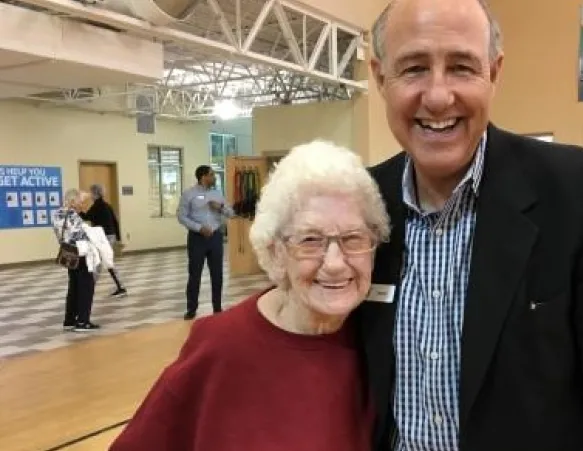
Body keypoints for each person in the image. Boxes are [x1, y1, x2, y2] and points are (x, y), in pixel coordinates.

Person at [356, 1, 583, 450]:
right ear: (379, 76)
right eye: (413, 68)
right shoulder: (361, 204)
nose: (438, 96)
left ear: (495, 72)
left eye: (462, 67)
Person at [109, 140, 390, 451]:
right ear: (276, 250)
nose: (335, 263)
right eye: (310, 240)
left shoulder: (381, 338)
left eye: (353, 238)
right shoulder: (221, 345)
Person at [177, 165, 234, 319]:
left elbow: (231, 213)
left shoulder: (217, 194)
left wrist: (220, 207)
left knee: (217, 274)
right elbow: (181, 216)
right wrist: (198, 228)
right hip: (197, 239)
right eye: (212, 174)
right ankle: (191, 308)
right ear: (203, 177)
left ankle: (217, 307)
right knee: (195, 274)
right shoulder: (189, 194)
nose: (214, 177)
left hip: (216, 237)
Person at [52, 189, 100, 332]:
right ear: (73, 201)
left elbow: (60, 233)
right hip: (80, 253)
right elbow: (81, 235)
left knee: (73, 286)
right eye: (79, 201)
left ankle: (69, 320)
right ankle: (83, 321)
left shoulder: (57, 214)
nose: (81, 204)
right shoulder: (73, 215)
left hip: (67, 253)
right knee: (86, 285)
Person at [80, 184, 127, 297]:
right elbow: (115, 222)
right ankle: (120, 287)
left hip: (103, 238)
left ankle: (89, 289)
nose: (90, 195)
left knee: (98, 263)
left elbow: (86, 217)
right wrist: (118, 238)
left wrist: (78, 209)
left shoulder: (97, 206)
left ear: (95, 194)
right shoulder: (106, 205)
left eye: (91, 192)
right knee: (106, 262)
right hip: (110, 236)